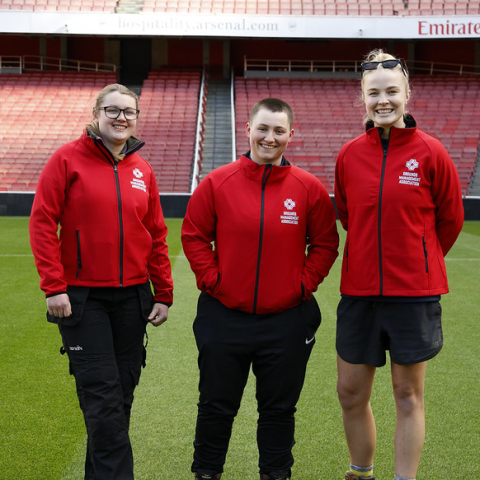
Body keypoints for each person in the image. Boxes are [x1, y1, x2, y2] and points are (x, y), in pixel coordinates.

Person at [181, 98, 339, 480]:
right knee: (216, 406)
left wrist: (302, 285)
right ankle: (206, 473)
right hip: (223, 316)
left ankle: (275, 473)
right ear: (248, 129)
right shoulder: (217, 182)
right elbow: (194, 236)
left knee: (278, 410)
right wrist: (213, 280)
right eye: (263, 129)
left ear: (290, 135)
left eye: (279, 131)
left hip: (286, 320)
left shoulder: (309, 188)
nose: (270, 138)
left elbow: (325, 244)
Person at [29, 83, 174, 480]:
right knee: (103, 401)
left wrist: (163, 292)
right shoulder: (66, 159)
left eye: (129, 111)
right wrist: (54, 286)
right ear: (96, 113)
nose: (121, 118)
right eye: (112, 110)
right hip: (82, 299)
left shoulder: (142, 169)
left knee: (120, 399)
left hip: (132, 299)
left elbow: (156, 233)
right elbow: (43, 222)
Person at [334, 49, 464, 480]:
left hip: (414, 294)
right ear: (363, 98)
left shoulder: (432, 152)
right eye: (375, 93)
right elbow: (349, 215)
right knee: (350, 393)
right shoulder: (349, 154)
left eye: (392, 91)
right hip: (359, 292)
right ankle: (361, 470)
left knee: (407, 394)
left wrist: (419, 258)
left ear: (408, 94)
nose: (383, 100)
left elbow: (450, 219)